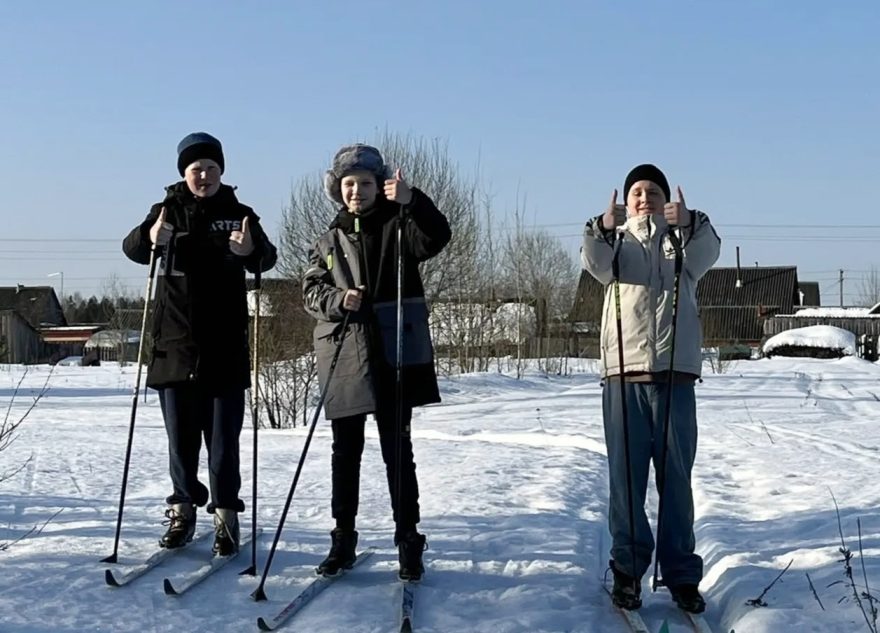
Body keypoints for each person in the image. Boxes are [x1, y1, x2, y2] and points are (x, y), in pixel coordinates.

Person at [122, 132, 277, 556]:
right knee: (182, 442)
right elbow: (133, 248)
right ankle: (183, 510)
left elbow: (267, 258)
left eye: (210, 168)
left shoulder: (239, 213)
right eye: (195, 170)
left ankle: (226, 516)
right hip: (174, 348)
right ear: (184, 174)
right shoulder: (166, 210)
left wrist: (250, 250)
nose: (203, 175)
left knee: (224, 443)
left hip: (224, 348)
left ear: (221, 170)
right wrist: (151, 237)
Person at [302, 144, 451, 581]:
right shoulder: (327, 240)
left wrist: (413, 200)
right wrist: (338, 299)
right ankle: (342, 538)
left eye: (365, 183)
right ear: (338, 189)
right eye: (349, 184)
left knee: (397, 451)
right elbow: (310, 292)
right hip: (345, 353)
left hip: (395, 352)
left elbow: (439, 236)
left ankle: (409, 540)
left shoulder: (401, 227)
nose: (357, 191)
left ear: (378, 186)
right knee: (345, 453)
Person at [581, 164, 720, 613]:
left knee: (676, 481)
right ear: (626, 200)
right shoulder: (615, 244)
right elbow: (594, 263)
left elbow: (710, 250)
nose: (645, 198)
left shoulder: (683, 243)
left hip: (675, 377)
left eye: (653, 191)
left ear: (667, 199)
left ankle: (681, 575)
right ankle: (627, 571)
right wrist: (602, 227)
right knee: (627, 482)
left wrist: (693, 221)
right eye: (637, 192)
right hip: (623, 378)